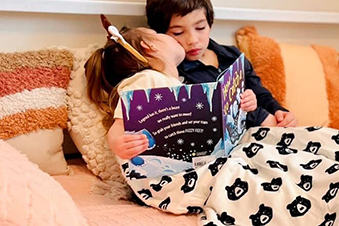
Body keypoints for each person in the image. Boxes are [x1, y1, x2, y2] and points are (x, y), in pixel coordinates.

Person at [146, 0, 297, 129]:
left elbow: (260, 93)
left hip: (266, 133)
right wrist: (256, 113)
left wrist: (280, 112)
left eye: (200, 28)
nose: (192, 40)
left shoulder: (233, 57)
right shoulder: (173, 73)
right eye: (178, 32)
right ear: (161, 35)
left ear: (210, 23)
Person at [85, 24, 251, 161]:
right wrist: (118, 143)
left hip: (199, 161)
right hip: (164, 174)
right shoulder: (147, 80)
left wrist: (242, 103)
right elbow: (120, 125)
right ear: (149, 46)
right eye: (158, 33)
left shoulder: (180, 86)